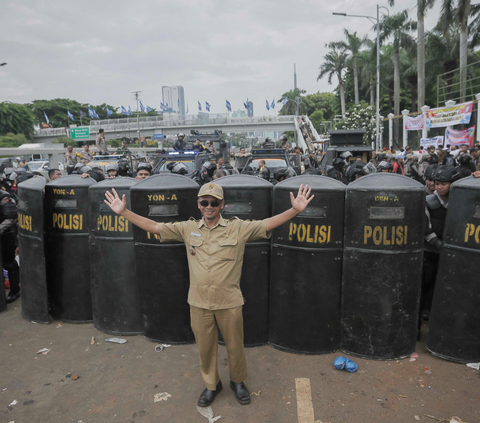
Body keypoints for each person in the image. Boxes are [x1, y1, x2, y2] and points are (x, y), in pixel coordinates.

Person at [103, 182, 314, 407]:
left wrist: (295, 210)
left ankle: (237, 381)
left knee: (235, 346)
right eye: (204, 202)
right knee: (205, 348)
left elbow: (267, 224)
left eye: (214, 202)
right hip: (199, 302)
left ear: (222, 204)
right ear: (199, 204)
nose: (209, 206)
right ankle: (212, 385)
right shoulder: (187, 228)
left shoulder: (238, 228)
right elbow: (154, 227)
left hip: (229, 301)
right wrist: (124, 212)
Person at [420, 165, 461, 338]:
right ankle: (423, 315)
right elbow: (426, 229)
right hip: (431, 252)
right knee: (426, 285)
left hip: (452, 252)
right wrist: (440, 246)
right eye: (437, 183)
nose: (439, 187)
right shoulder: (429, 201)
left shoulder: (459, 201)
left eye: (444, 183)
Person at [0, 188, 20, 303]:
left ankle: (15, 290)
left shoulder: (4, 197)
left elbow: (11, 218)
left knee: (9, 263)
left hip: (6, 236)